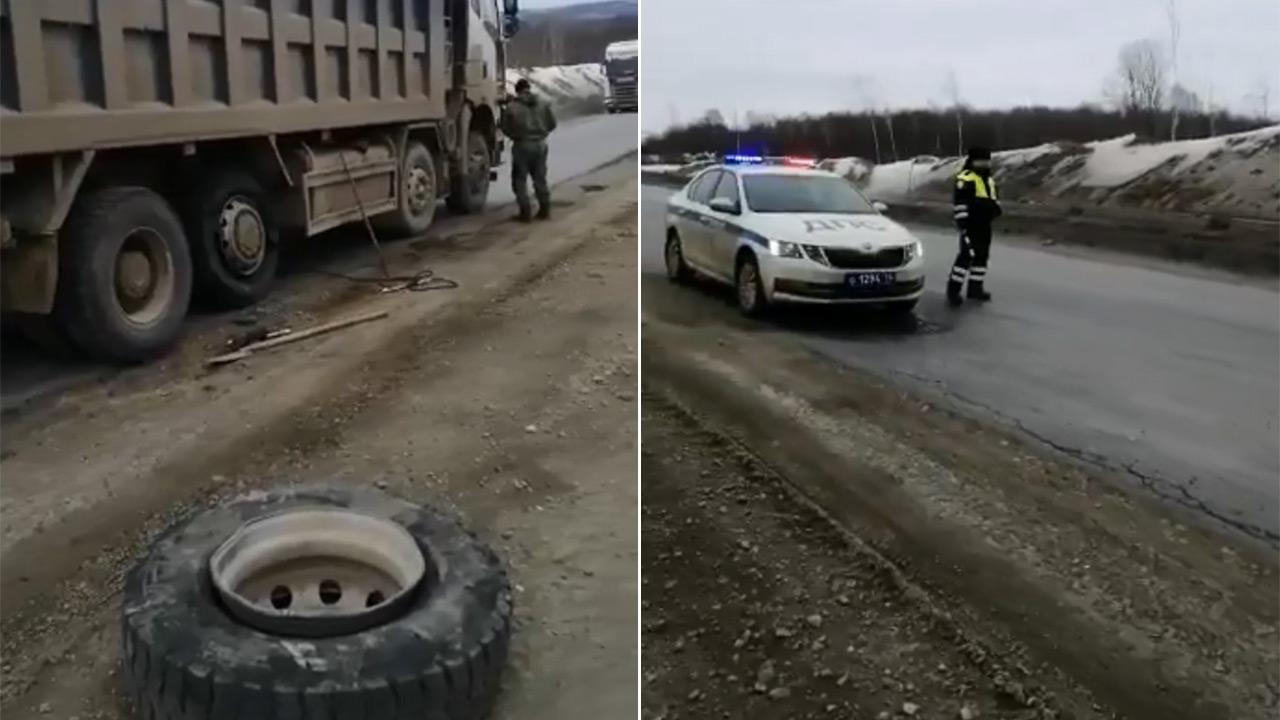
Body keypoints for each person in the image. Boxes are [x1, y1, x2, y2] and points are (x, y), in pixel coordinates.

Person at [947, 146, 1002, 306]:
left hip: (985, 224)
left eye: (987, 161)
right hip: (971, 224)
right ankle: (953, 292)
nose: (985, 164)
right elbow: (960, 203)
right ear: (973, 161)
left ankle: (975, 289)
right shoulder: (966, 178)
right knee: (965, 257)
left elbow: (992, 197)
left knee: (982, 257)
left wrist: (996, 209)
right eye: (981, 161)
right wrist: (963, 224)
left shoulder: (988, 178)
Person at [499, 79, 558, 222]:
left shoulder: (512, 107)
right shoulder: (543, 103)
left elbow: (505, 128)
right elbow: (552, 124)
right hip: (540, 144)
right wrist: (541, 133)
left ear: (517, 90)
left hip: (522, 145)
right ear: (529, 88)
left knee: (519, 179)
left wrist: (515, 135)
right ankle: (544, 209)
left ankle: (525, 212)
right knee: (539, 177)